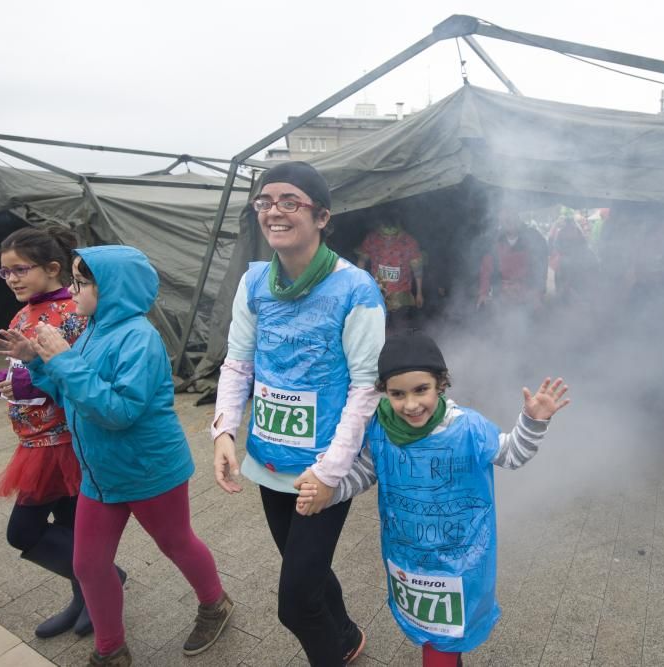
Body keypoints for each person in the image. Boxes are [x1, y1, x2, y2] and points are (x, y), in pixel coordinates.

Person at [0, 246, 231, 667]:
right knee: (88, 564)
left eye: (81, 283)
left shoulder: (140, 338)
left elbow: (117, 412)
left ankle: (215, 604)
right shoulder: (93, 329)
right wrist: (39, 364)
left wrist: (64, 360)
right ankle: (110, 650)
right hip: (99, 474)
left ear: (113, 289)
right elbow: (72, 394)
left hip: (149, 470)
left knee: (176, 543)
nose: (72, 289)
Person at [296, 332, 570, 665]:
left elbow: (511, 454)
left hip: (460, 565)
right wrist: (330, 492)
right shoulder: (381, 428)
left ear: (440, 383)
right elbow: (365, 473)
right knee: (432, 636)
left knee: (442, 646)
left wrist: (533, 420)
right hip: (410, 562)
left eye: (420, 390)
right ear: (384, 392)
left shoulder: (468, 428)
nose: (410, 405)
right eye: (397, 394)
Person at [211, 161, 385, 665]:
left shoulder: (356, 290)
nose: (275, 212)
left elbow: (365, 388)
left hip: (323, 467)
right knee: (301, 566)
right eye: (265, 202)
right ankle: (348, 635)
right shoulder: (255, 283)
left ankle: (330, 652)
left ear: (322, 216)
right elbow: (239, 362)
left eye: (291, 202)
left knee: (295, 604)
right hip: (269, 458)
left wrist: (331, 472)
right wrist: (225, 430)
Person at [0, 226, 112, 640]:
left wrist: (27, 383)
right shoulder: (23, 315)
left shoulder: (73, 313)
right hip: (34, 443)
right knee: (71, 530)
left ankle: (106, 581)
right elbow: (11, 374)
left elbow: (84, 376)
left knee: (24, 531)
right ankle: (87, 595)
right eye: (5, 273)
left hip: (65, 443)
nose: (12, 279)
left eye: (20, 269)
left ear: (53, 268)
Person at [356, 214, 424, 332]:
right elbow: (361, 261)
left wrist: (419, 293)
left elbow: (417, 268)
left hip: (401, 296)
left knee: (401, 329)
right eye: (385, 236)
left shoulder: (408, 242)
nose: (388, 240)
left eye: (392, 236)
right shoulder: (372, 239)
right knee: (378, 330)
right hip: (378, 295)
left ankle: (400, 347)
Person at [476, 208, 548, 312]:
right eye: (505, 220)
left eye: (512, 217)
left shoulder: (534, 237)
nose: (510, 222)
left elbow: (541, 268)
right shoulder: (494, 239)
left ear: (518, 218)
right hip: (502, 294)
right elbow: (486, 270)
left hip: (528, 294)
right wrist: (483, 293)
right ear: (501, 221)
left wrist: (538, 293)